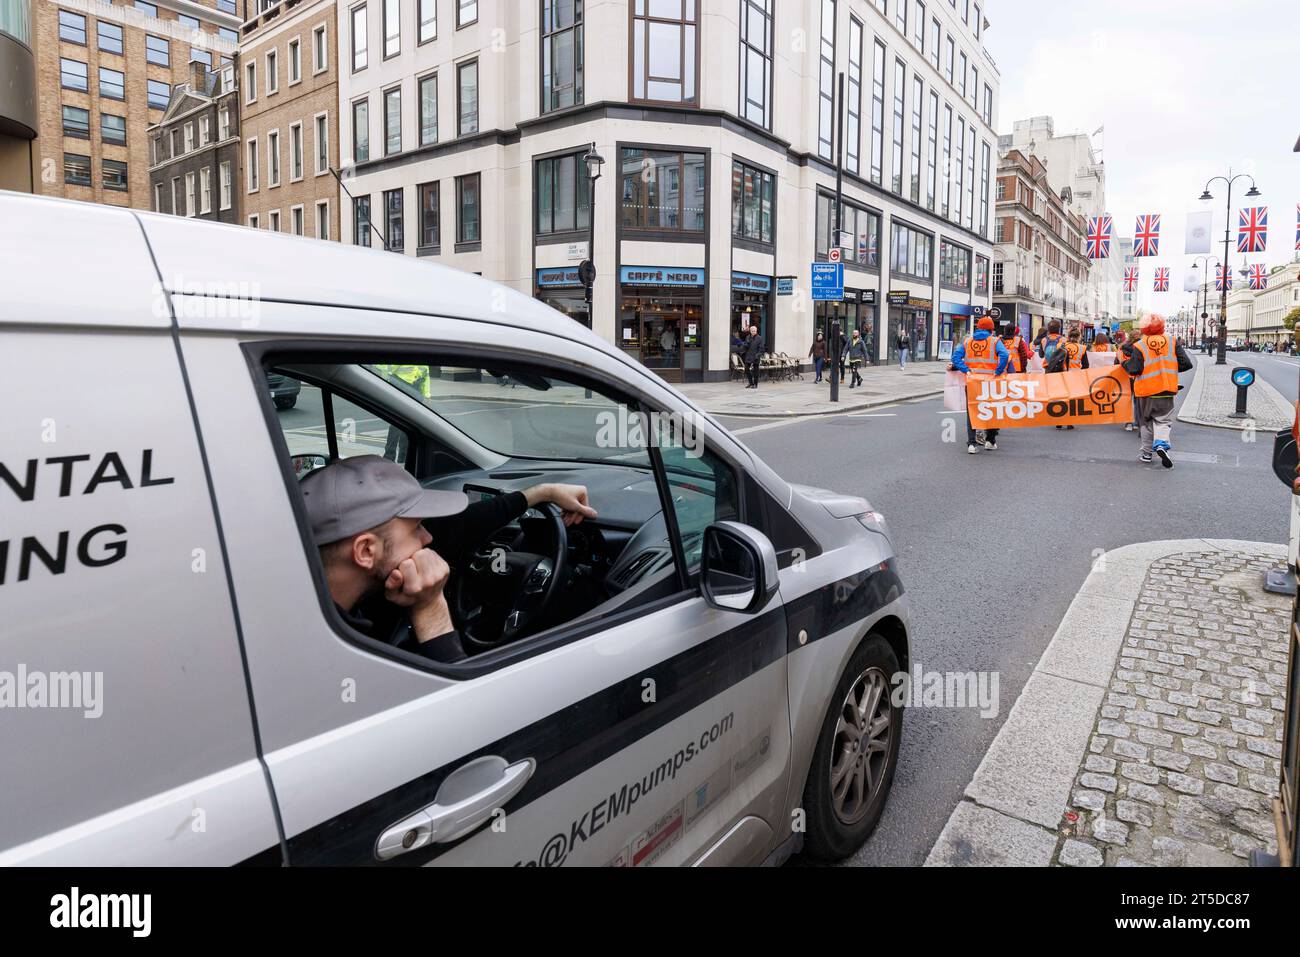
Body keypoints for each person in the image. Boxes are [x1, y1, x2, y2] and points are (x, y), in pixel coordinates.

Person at [301, 456, 597, 662]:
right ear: (365, 551)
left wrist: (541, 493)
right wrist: (430, 607)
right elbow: (465, 722)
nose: (428, 539)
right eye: (417, 528)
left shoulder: (314, 587)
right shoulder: (328, 658)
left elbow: (455, 526)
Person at [1122, 314, 1194, 468]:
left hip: (1145, 391)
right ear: (1162, 326)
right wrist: (1169, 369)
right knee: (1163, 420)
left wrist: (1124, 364)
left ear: (1144, 328)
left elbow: (1134, 369)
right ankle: (1161, 444)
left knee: (1145, 422)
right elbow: (1186, 364)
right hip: (1166, 389)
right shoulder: (1172, 342)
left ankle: (1147, 454)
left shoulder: (1140, 345)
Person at [951, 316, 1009, 454]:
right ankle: (990, 441)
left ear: (978, 327)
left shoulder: (967, 341)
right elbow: (1005, 355)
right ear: (991, 329)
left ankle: (972, 444)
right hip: (990, 381)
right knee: (992, 409)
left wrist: (966, 370)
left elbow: (955, 357)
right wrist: (998, 371)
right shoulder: (995, 341)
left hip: (972, 382)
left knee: (972, 411)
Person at [742, 323, 765, 389]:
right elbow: (746, 346)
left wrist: (757, 355)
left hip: (756, 356)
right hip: (749, 355)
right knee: (746, 369)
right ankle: (750, 383)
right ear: (750, 331)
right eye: (752, 331)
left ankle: (755, 384)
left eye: (754, 331)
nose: (753, 332)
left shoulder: (760, 338)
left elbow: (761, 348)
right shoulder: (747, 337)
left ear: (756, 331)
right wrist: (745, 345)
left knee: (755, 371)